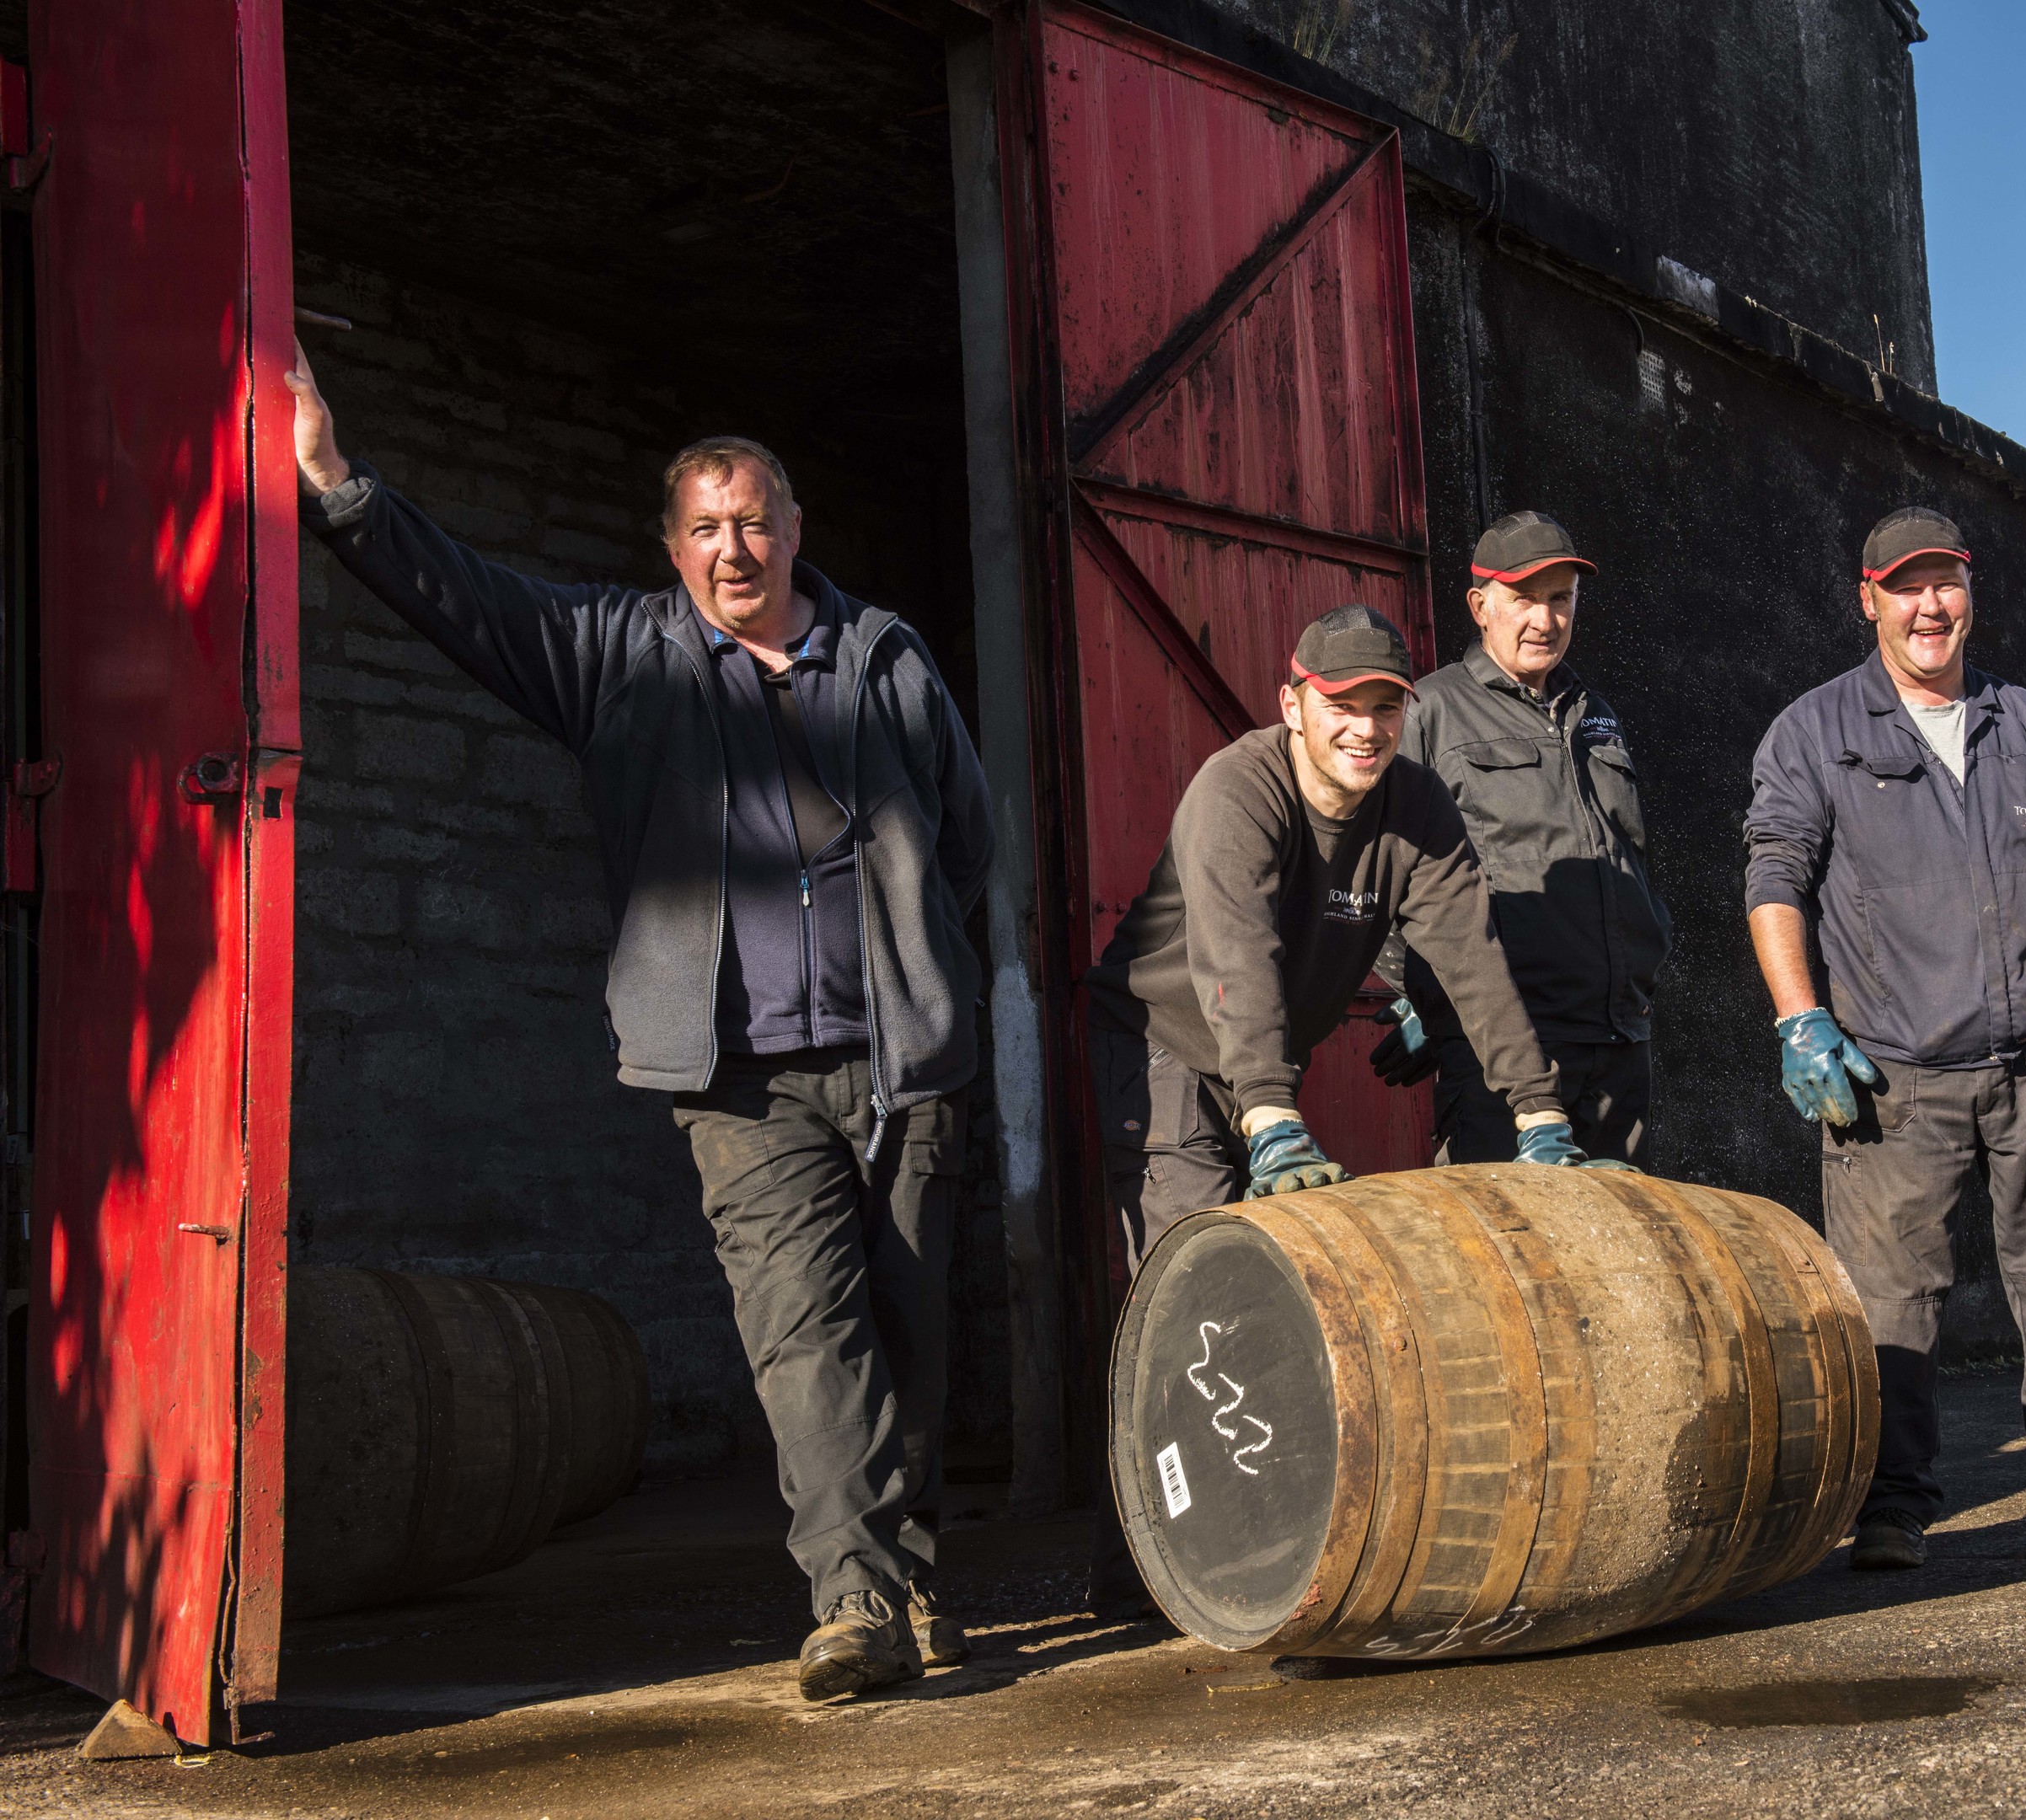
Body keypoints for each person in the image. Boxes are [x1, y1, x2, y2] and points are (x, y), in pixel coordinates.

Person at [285, 351, 989, 1702]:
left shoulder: (886, 657)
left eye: (757, 522)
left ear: (795, 532)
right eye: (707, 529)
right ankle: (851, 1603)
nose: (737, 548)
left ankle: (903, 1579)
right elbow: (470, 604)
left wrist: (921, 966)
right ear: (675, 551)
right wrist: (337, 483)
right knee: (803, 1329)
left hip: (902, 1058)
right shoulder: (618, 656)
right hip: (736, 1077)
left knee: (906, 1331)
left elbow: (967, 839)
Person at [1742, 506, 2026, 1571]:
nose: (1928, 606)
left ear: (1968, 594)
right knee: (1891, 1301)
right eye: (1905, 587)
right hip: (1891, 1071)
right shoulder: (1815, 730)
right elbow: (1774, 878)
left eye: (1944, 584)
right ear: (1869, 600)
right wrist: (1799, 1018)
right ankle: (1891, 1507)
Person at [1086, 602, 1621, 1265]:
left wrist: (1539, 1114)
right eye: (1341, 705)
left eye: (1385, 708)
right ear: (1292, 706)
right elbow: (1240, 955)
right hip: (1168, 1046)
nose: (1365, 730)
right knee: (1205, 1280)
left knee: (1272, 1281)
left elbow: (1472, 961)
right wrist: (1271, 1113)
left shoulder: (1418, 806)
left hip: (1260, 1062)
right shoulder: (1237, 792)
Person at [1365, 511, 1672, 1168]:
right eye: (1524, 599)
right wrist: (1431, 994)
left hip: (1620, 1043)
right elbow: (1371, 872)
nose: (1546, 619)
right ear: (1480, 606)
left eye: (1560, 599)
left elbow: (1627, 857)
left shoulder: (1596, 713)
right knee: (1512, 1257)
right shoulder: (1430, 713)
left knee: (1623, 1258)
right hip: (1509, 1054)